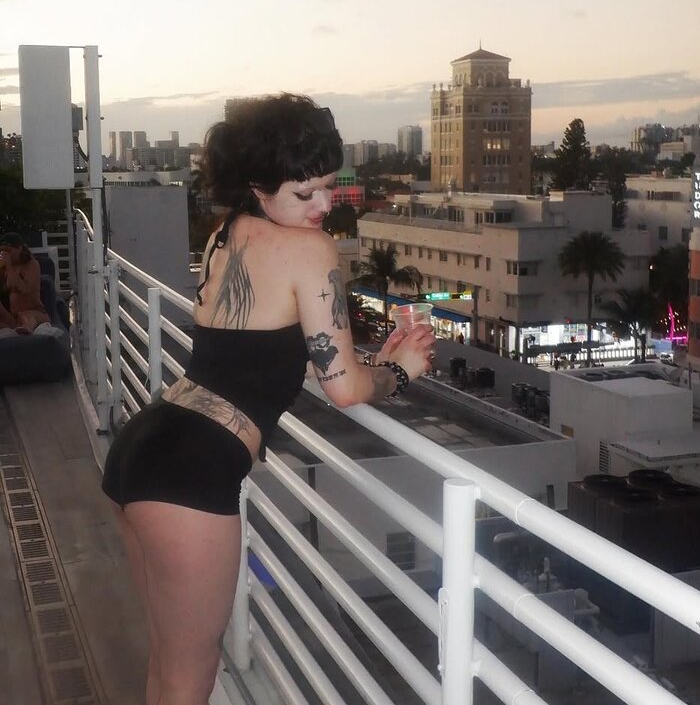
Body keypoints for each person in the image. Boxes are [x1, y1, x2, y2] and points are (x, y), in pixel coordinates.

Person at [101, 94, 434, 705]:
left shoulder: (226, 235)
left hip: (143, 450)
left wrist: (366, 362)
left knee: (169, 664)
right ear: (258, 186)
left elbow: (269, 353)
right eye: (305, 193)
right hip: (190, 476)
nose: (324, 206)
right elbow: (345, 390)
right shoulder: (311, 249)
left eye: (329, 187)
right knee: (190, 676)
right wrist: (400, 372)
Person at [0, 233, 51, 333]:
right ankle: (15, 329)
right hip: (13, 316)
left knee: (26, 317)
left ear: (20, 248)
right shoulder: (4, 269)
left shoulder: (32, 265)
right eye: (2, 251)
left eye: (8, 250)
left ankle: (25, 331)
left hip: (33, 312)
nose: (5, 254)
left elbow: (26, 290)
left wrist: (9, 267)